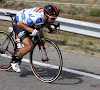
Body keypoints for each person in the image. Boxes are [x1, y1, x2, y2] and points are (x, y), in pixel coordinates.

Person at [11, 4, 59, 72]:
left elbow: (46, 22)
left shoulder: (45, 17)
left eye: (55, 18)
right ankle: (14, 59)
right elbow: (20, 24)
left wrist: (50, 29)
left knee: (40, 38)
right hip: (19, 23)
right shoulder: (37, 18)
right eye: (53, 18)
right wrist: (32, 31)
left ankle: (22, 48)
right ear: (46, 15)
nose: (54, 21)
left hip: (29, 23)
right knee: (29, 46)